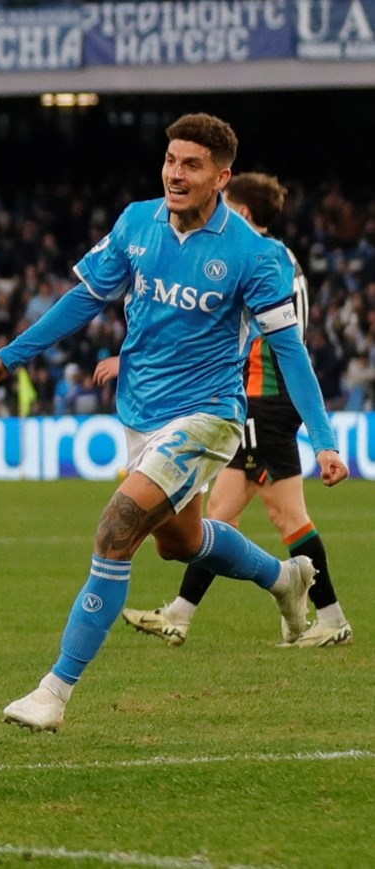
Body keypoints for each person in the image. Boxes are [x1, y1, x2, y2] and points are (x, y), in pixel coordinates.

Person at [0, 114, 348, 734]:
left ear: (222, 178)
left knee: (117, 530)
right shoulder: (137, 221)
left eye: (192, 164)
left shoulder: (253, 256)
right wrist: (9, 356)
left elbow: (291, 352)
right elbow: (86, 299)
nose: (175, 173)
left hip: (207, 417)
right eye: (171, 160)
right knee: (181, 543)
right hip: (141, 411)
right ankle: (286, 579)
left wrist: (324, 440)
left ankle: (53, 692)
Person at [108, 172, 352, 648]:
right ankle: (180, 614)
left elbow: (271, 340)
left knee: (287, 517)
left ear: (240, 212)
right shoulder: (280, 256)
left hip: (264, 397)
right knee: (219, 513)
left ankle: (331, 617)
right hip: (259, 399)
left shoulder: (255, 255)